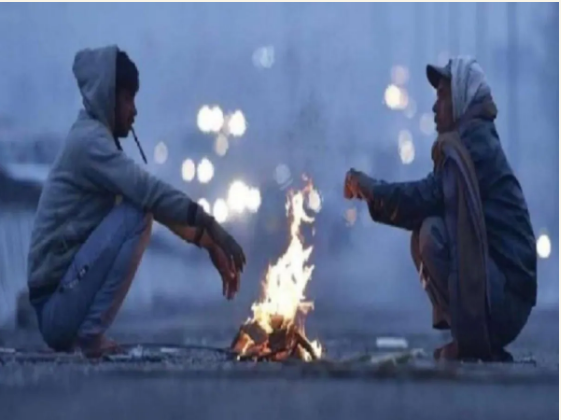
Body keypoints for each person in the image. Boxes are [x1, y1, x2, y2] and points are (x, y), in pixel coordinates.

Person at [27, 45, 246, 357]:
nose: (134, 111)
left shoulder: (94, 138)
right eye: (128, 99)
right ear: (108, 97)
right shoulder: (90, 143)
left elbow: (156, 203)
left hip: (61, 302)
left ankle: (88, 333)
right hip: (56, 310)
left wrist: (208, 242)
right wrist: (212, 226)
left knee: (140, 209)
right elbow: (150, 194)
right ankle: (90, 335)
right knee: (137, 215)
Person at [344, 56, 537, 361]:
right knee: (426, 229)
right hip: (501, 289)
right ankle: (471, 338)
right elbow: (429, 198)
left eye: (443, 96)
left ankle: (474, 342)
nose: (435, 107)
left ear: (461, 98)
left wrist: (372, 189)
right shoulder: (468, 139)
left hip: (508, 297)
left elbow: (427, 196)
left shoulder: (473, 144)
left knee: (432, 233)